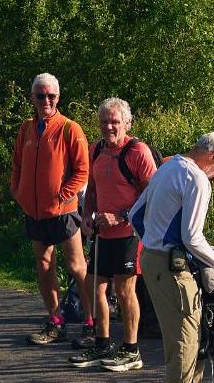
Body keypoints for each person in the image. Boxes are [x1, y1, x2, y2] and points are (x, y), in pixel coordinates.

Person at [129, 132, 214, 383]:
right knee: (185, 343)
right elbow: (192, 237)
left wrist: (154, 241)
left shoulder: (169, 167)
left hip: (152, 260)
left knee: (187, 338)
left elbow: (135, 214)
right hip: (173, 269)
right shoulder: (197, 179)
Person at [68, 98, 157, 371]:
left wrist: (120, 216)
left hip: (130, 233)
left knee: (125, 290)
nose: (109, 127)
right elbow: (92, 189)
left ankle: (131, 351)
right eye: (104, 122)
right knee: (97, 288)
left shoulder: (138, 152)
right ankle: (102, 344)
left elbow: (153, 196)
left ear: (127, 123)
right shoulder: (96, 150)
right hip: (102, 233)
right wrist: (86, 216)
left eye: (115, 122)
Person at [10, 72, 92, 345]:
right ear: (32, 97)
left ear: (58, 97)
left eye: (51, 95)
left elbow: (82, 172)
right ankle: (55, 320)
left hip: (64, 211)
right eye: (41, 95)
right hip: (34, 212)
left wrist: (62, 197)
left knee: (76, 266)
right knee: (44, 265)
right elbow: (18, 166)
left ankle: (91, 322)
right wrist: (18, 192)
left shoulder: (70, 128)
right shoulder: (25, 129)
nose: (46, 100)